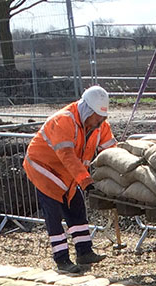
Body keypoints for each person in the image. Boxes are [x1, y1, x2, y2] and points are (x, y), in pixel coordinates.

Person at [23, 85, 115, 275]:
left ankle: (84, 252)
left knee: (76, 207)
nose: (99, 123)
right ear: (87, 110)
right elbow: (67, 156)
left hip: (68, 173)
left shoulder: (99, 125)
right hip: (44, 168)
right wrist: (86, 181)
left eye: (102, 119)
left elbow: (112, 151)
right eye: (97, 118)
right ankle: (62, 259)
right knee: (54, 213)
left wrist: (118, 172)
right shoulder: (64, 121)